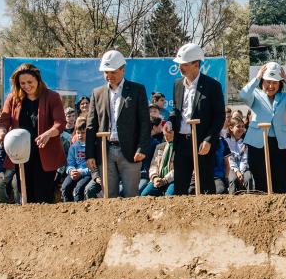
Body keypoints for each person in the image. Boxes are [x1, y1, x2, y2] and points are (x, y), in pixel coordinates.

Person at [0, 64, 67, 204]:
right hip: (21, 153)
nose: (26, 86)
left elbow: (60, 122)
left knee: (43, 194)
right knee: (24, 193)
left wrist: (48, 134)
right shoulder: (13, 98)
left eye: (30, 82)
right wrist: (1, 132)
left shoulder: (52, 97)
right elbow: (3, 121)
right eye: (22, 83)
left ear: (38, 80)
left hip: (44, 154)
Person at [86, 50, 153, 198]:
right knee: (108, 196)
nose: (109, 76)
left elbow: (144, 122)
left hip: (131, 152)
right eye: (106, 72)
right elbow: (91, 126)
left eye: (113, 72)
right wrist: (89, 154)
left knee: (131, 195)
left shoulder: (137, 90)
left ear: (123, 69)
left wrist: (142, 148)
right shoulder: (97, 93)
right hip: (105, 152)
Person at [165, 43, 225, 195]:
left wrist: (209, 140)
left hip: (202, 144)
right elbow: (176, 111)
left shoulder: (212, 86)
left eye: (184, 64)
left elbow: (219, 117)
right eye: (179, 64)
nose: (180, 67)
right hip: (181, 143)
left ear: (196, 64)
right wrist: (169, 123)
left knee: (206, 186)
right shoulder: (177, 84)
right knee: (180, 187)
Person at [240, 61, 286, 194]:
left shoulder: (284, 97)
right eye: (267, 82)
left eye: (275, 82)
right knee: (261, 180)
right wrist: (257, 78)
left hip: (280, 144)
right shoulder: (255, 94)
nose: (271, 86)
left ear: (280, 83)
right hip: (258, 143)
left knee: (280, 180)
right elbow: (243, 95)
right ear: (262, 81)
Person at [62, 118, 95, 202]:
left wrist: (81, 172)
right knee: (65, 187)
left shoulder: (92, 146)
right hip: (75, 173)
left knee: (79, 189)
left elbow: (94, 167)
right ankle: (68, 207)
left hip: (87, 174)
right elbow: (70, 163)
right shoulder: (73, 147)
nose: (80, 135)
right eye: (78, 133)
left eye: (83, 133)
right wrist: (71, 171)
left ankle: (80, 208)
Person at [224, 118, 253, 193]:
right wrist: (237, 171)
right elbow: (230, 159)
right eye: (238, 126)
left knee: (248, 178)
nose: (241, 128)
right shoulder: (226, 141)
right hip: (231, 168)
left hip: (243, 168)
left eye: (243, 126)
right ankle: (232, 197)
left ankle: (250, 196)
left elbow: (244, 159)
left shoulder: (245, 142)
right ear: (231, 128)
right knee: (232, 179)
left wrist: (241, 172)